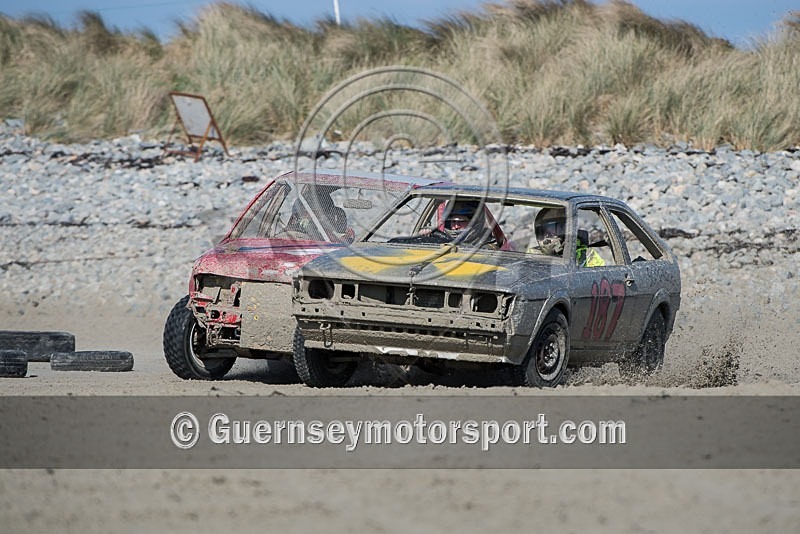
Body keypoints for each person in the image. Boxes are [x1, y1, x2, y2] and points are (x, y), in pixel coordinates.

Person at [533, 208, 605, 267]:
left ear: (565, 229)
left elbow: (599, 278)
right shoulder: (534, 254)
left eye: (553, 230)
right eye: (544, 231)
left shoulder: (586, 254)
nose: (548, 236)